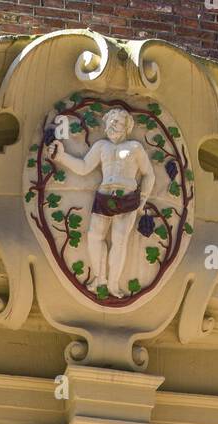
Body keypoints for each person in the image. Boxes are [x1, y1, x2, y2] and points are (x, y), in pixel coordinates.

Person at [47, 107, 156, 298]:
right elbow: (83, 167)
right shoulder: (101, 147)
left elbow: (149, 174)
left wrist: (143, 200)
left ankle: (113, 283)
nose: (113, 126)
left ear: (126, 127)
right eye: (110, 122)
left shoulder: (134, 148)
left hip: (127, 198)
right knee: (94, 236)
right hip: (104, 196)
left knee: (119, 241)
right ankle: (99, 278)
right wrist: (62, 156)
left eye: (118, 122)